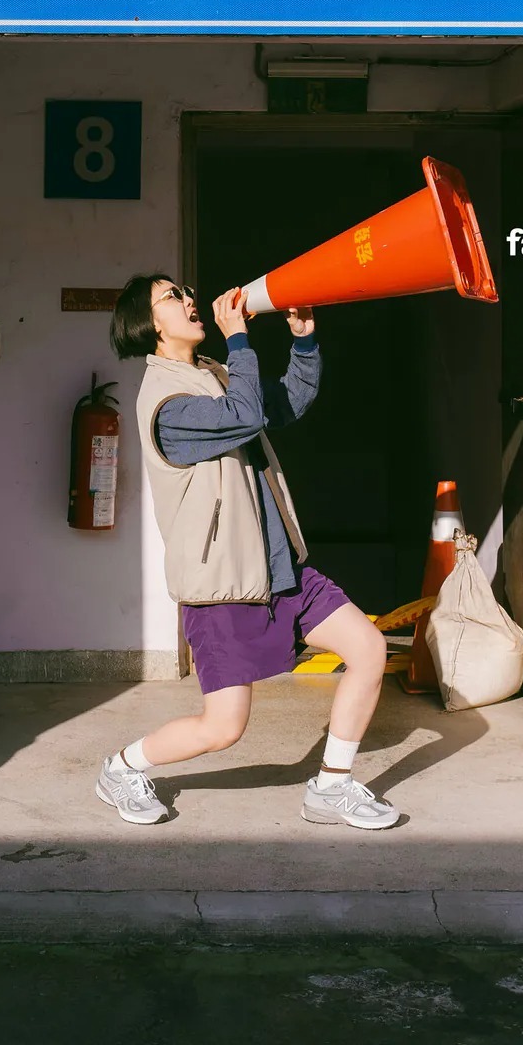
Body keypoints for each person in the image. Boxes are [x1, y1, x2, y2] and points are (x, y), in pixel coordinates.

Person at [96, 273, 398, 831]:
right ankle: (121, 769)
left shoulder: (213, 374)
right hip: (225, 583)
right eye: (171, 297)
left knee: (369, 649)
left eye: (185, 292)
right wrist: (239, 338)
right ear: (148, 324)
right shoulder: (166, 404)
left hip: (281, 567)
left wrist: (303, 342)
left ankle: (331, 787)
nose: (188, 300)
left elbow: (284, 403)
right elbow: (243, 415)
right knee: (223, 728)